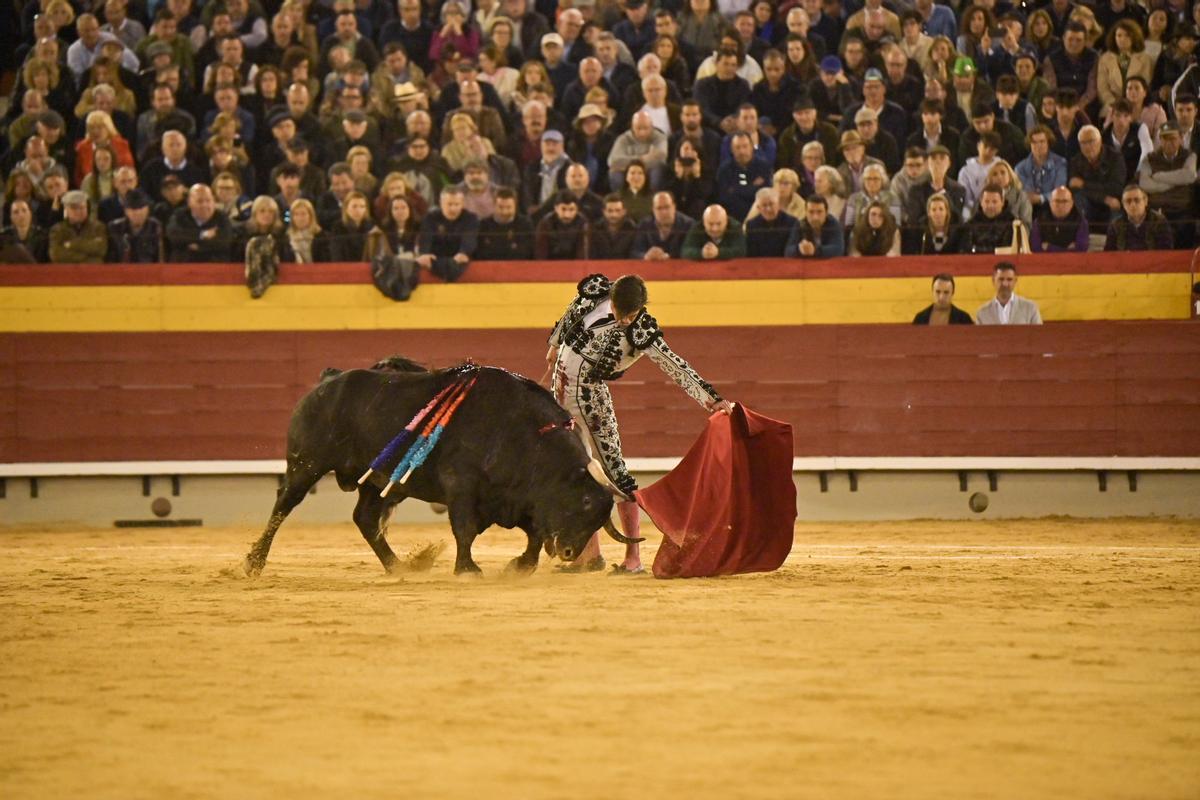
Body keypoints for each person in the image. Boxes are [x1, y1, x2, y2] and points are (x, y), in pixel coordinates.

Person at [544, 273, 733, 573]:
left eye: (631, 315)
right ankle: (589, 556)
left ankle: (633, 559)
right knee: (578, 474)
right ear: (613, 299)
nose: (623, 321)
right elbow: (572, 310)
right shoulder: (596, 294)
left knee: (616, 476)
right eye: (621, 313)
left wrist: (710, 399)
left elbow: (674, 364)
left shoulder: (641, 331)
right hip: (560, 399)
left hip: (592, 404)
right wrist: (555, 344)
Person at [417, 186, 480, 280]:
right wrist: (424, 253)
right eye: (449, 204)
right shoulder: (430, 218)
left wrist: (464, 252)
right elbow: (426, 239)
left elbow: (469, 239)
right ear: (441, 203)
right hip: (436, 257)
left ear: (462, 204)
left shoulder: (470, 218)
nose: (453, 209)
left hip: (459, 258)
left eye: (456, 204)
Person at [166, 184, 235, 263]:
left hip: (215, 265)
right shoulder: (179, 215)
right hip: (183, 265)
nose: (204, 205)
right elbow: (174, 235)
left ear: (214, 202)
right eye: (200, 201)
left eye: (208, 200)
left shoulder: (222, 217)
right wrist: (202, 234)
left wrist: (199, 247)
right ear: (189, 202)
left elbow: (224, 241)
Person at [1104, 185, 1174, 250]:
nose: (1133, 205)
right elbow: (1109, 254)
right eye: (1128, 201)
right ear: (1123, 204)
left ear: (1145, 201)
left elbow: (1165, 252)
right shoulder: (1116, 225)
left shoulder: (1159, 221)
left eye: (1137, 200)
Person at [49, 191, 108, 264]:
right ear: (66, 210)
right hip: (65, 272)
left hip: (93, 271)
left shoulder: (98, 227)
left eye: (82, 207)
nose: (78, 211)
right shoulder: (57, 229)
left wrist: (71, 244)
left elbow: (101, 250)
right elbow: (56, 255)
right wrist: (88, 256)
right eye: (74, 208)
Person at [632, 191, 694, 260]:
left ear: (674, 207)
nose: (664, 212)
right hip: (651, 267)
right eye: (659, 208)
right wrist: (646, 256)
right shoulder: (644, 225)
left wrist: (667, 256)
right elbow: (635, 251)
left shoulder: (688, 224)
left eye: (667, 207)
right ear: (653, 210)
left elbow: (689, 250)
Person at [476, 188, 535, 260]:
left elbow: (528, 252)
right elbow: (479, 253)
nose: (504, 212)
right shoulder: (483, 225)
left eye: (509, 207)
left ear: (515, 206)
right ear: (493, 206)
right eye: (500, 207)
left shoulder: (525, 224)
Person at [976, 262, 1043, 325]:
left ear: (1015, 281)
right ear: (993, 280)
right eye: (1001, 279)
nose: (1005, 284)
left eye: (1009, 279)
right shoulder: (982, 313)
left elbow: (1039, 335)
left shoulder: (1030, 308)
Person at [106, 189, 163, 262]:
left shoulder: (155, 227)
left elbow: (159, 257)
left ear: (147, 209)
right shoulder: (115, 228)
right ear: (126, 211)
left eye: (141, 208)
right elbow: (111, 257)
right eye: (133, 209)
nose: (138, 213)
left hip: (148, 271)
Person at [1031, 187, 1089, 252]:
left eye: (1065, 201)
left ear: (1071, 203)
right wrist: (1068, 249)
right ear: (1050, 202)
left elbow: (1081, 250)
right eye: (1057, 201)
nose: (1061, 205)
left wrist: (1049, 247)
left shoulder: (1081, 222)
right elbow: (1035, 248)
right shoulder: (1039, 221)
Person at [744, 187, 797, 257]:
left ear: (778, 205)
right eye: (764, 205)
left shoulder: (792, 222)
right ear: (758, 208)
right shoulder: (751, 225)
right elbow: (751, 253)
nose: (768, 209)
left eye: (771, 204)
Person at [681, 205, 748, 260]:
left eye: (719, 224)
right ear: (704, 223)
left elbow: (741, 251)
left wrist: (718, 253)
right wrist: (701, 253)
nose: (715, 229)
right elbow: (685, 251)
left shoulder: (735, 227)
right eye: (710, 224)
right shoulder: (697, 228)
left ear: (726, 222)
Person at [587, 194, 637, 259]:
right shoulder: (595, 228)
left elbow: (633, 254)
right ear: (604, 212)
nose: (614, 215)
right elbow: (592, 255)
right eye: (610, 211)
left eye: (618, 210)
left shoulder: (632, 228)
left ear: (624, 212)